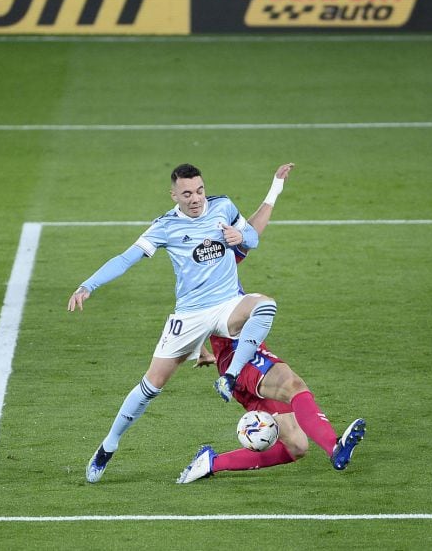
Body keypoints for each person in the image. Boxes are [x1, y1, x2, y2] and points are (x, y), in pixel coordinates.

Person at [68, 163, 283, 483]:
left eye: (199, 190)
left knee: (265, 305)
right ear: (174, 195)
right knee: (151, 386)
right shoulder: (165, 226)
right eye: (187, 193)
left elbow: (251, 239)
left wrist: (242, 234)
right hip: (190, 315)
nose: (196, 198)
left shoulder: (223, 206)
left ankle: (230, 376)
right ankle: (108, 446)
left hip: (227, 305)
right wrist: (88, 285)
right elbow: (126, 258)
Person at [176, 163, 365, 484]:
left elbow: (251, 231)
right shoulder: (197, 276)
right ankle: (335, 448)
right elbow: (189, 316)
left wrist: (275, 188)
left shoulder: (221, 256)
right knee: (293, 385)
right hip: (240, 358)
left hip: (236, 360)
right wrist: (199, 349)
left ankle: (211, 463)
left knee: (297, 446)